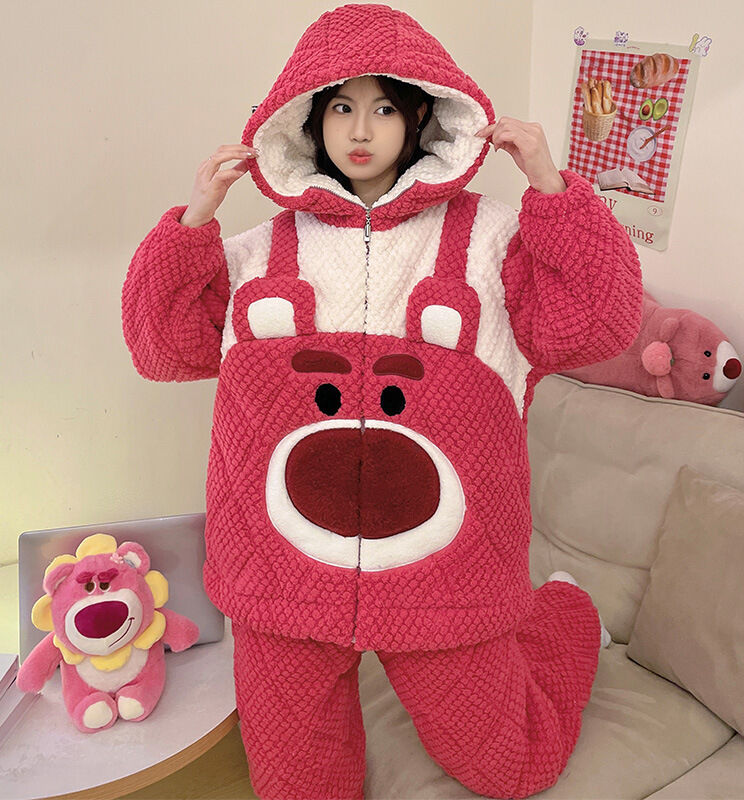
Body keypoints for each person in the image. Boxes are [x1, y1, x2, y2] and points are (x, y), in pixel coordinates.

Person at [122, 4, 641, 799]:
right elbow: (162, 349)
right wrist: (193, 220)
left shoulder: (492, 239)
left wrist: (551, 187)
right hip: (282, 579)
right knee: (297, 790)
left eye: (384, 108)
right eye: (340, 107)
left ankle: (560, 615)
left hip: (448, 582)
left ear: (422, 117)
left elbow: (596, 325)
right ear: (307, 120)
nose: (360, 130)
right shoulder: (259, 251)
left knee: (514, 767)